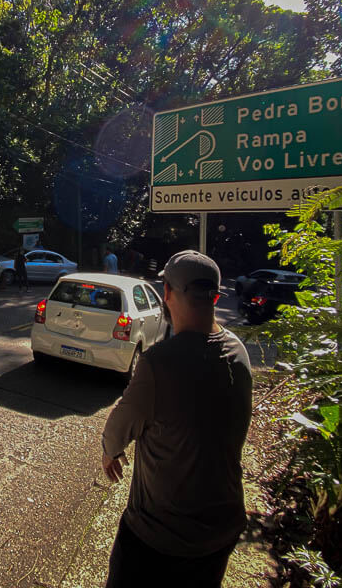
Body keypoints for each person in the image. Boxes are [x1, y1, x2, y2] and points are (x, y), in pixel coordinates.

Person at [100, 250, 253, 587]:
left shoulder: (159, 364)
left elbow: (116, 431)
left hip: (158, 539)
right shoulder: (238, 351)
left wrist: (111, 452)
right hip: (221, 530)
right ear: (214, 295)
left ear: (167, 293)